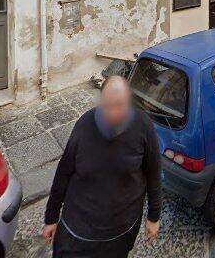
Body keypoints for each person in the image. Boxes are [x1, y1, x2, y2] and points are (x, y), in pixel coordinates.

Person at [42, 76, 161, 258]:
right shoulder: (84, 125)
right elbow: (63, 173)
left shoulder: (143, 126)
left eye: (119, 105)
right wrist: (51, 217)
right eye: (108, 105)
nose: (113, 112)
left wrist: (153, 217)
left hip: (120, 232)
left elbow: (154, 173)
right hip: (77, 232)